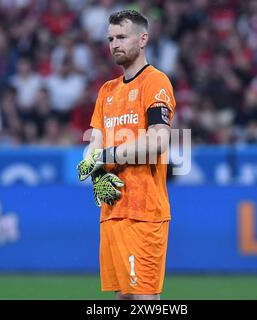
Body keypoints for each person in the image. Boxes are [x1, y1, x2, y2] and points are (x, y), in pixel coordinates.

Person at [76, 10, 176, 300]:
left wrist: (107, 156)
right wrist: (96, 173)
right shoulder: (106, 91)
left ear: (143, 39)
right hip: (112, 211)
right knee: (125, 297)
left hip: (144, 212)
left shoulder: (155, 82)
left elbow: (158, 139)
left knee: (144, 298)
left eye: (122, 37)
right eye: (110, 38)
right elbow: (92, 146)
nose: (114, 44)